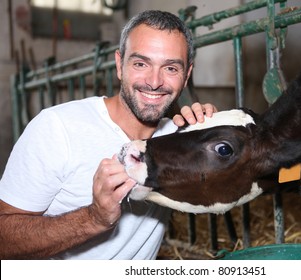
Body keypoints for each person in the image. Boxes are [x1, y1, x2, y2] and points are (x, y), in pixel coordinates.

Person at [0, 10, 216, 260]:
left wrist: (218, 129)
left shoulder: (178, 137)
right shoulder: (57, 127)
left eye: (170, 68)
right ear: (119, 65)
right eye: (140, 64)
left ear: (186, 76)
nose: (154, 81)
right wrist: (93, 218)